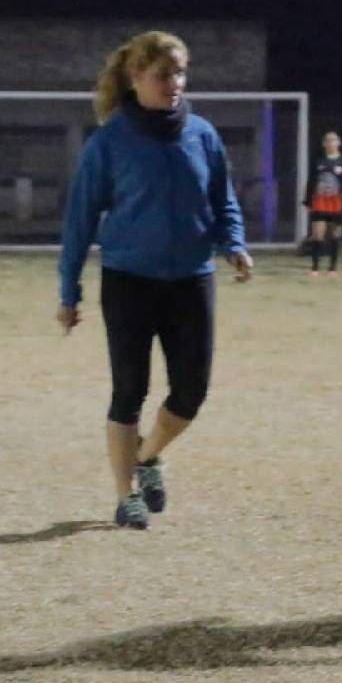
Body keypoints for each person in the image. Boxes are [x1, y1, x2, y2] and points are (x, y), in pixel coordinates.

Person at [58, 31, 253, 531]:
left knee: (191, 392)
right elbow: (80, 219)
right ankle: (126, 498)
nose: (175, 83)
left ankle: (147, 457)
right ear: (135, 77)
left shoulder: (202, 134)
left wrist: (234, 242)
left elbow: (222, 197)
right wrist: (69, 290)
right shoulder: (109, 143)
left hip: (191, 278)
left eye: (181, 73)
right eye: (165, 74)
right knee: (130, 390)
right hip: (129, 281)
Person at [303, 131, 342, 276]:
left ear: (339, 143)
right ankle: (315, 268)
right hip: (320, 201)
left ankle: (332, 267)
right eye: (328, 140)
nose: (331, 143)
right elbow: (311, 181)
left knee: (335, 235)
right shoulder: (318, 161)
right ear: (324, 144)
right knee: (317, 234)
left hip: (337, 201)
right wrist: (307, 200)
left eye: (334, 140)